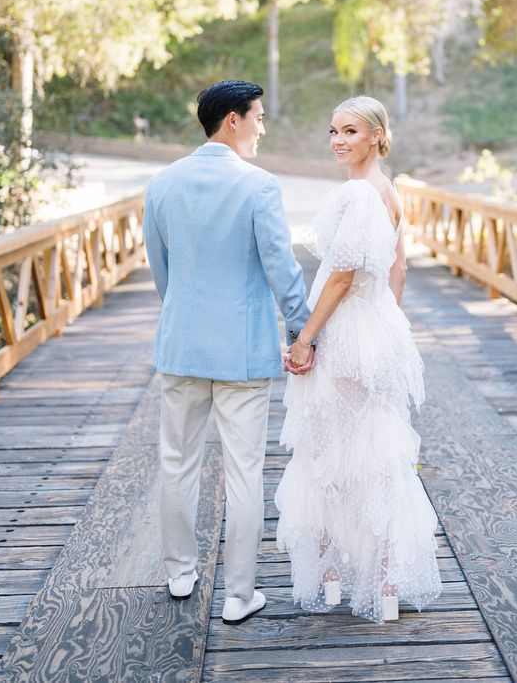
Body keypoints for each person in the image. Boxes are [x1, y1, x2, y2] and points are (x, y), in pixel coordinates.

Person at [143, 80, 313, 626]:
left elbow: (161, 270)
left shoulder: (162, 183)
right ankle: (239, 595)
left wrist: (186, 317)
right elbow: (282, 269)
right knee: (244, 472)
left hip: (182, 347)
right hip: (242, 351)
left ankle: (179, 571)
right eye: (258, 118)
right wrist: (303, 330)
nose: (263, 128)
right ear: (233, 120)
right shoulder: (258, 186)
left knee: (177, 461)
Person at [275, 95, 442, 623]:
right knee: (379, 453)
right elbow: (399, 270)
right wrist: (383, 323)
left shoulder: (357, 193)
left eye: (350, 131)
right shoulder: (389, 191)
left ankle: (332, 579)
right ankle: (386, 586)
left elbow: (342, 276)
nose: (338, 141)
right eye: (333, 131)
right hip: (378, 330)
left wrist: (305, 339)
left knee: (325, 451)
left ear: (376, 135)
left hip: (344, 335)